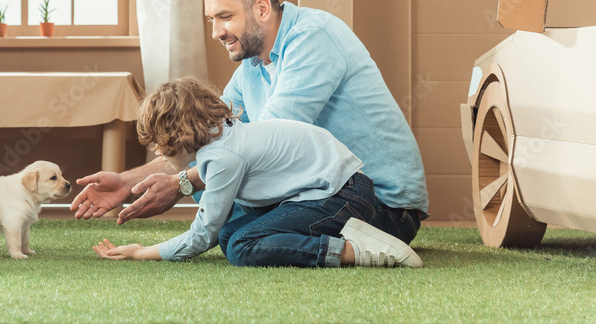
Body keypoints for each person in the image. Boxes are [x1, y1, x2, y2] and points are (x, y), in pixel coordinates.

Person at [73, 0, 428, 244]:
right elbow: (206, 139)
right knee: (228, 231)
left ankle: (363, 251)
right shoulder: (252, 67)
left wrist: (182, 183)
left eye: (225, 17)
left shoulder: (313, 38)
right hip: (319, 194)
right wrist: (127, 182)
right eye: (212, 19)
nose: (216, 32)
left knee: (235, 230)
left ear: (261, 8)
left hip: (378, 204)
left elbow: (259, 146)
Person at [92, 78, 422, 268]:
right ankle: (345, 240)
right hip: (340, 189)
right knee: (229, 235)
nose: (158, 151)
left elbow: (202, 234)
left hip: (341, 196)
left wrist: (143, 251)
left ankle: (355, 251)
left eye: (160, 142)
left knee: (241, 246)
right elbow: (214, 223)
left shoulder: (222, 159)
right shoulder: (226, 134)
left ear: (178, 134)